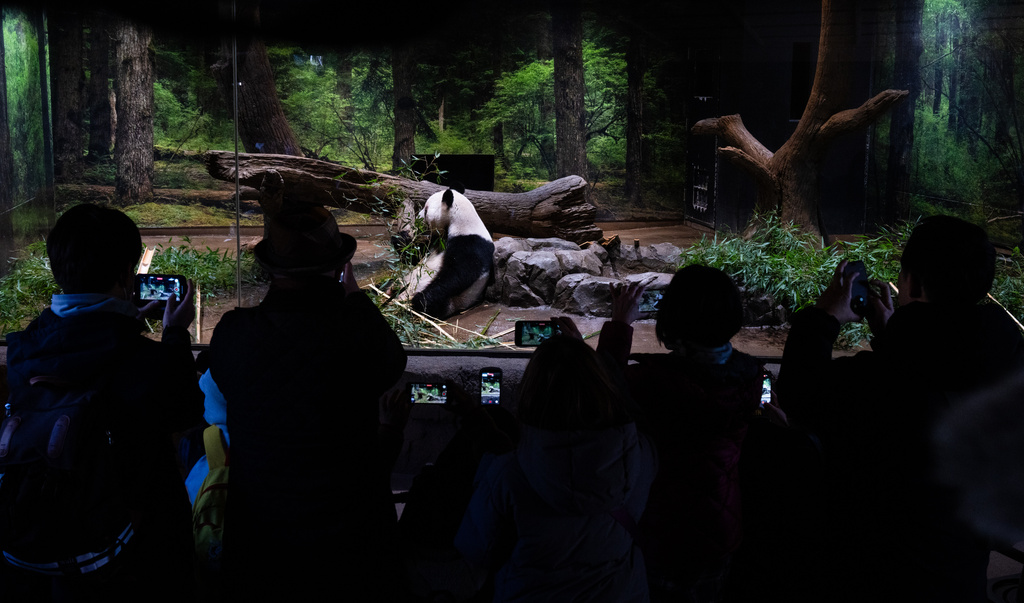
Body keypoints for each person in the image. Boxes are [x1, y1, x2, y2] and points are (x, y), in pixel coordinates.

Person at [776, 215, 1024, 603]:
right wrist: (894, 335)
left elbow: (800, 393)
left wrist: (823, 316)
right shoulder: (1007, 370)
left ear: (913, 282)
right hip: (960, 579)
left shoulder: (874, 383)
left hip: (875, 578)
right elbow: (940, 365)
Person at [205, 198, 407, 601]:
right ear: (339, 268)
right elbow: (392, 363)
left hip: (262, 537)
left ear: (270, 269)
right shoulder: (358, 337)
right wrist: (354, 299)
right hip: (349, 538)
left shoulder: (233, 333)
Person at [3, 203, 202, 600]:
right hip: (132, 553)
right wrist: (174, 336)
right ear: (128, 274)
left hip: (37, 546)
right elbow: (184, 410)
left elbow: (79, 347)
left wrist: (124, 317)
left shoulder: (24, 349)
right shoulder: (148, 361)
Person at [456, 322, 658, 603]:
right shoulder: (642, 454)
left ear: (531, 395)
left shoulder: (507, 473)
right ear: (603, 385)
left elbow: (475, 550)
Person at [597, 267, 764, 602]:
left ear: (672, 320)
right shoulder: (750, 376)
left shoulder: (655, 384)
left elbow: (604, 393)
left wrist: (620, 325)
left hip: (663, 532)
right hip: (721, 530)